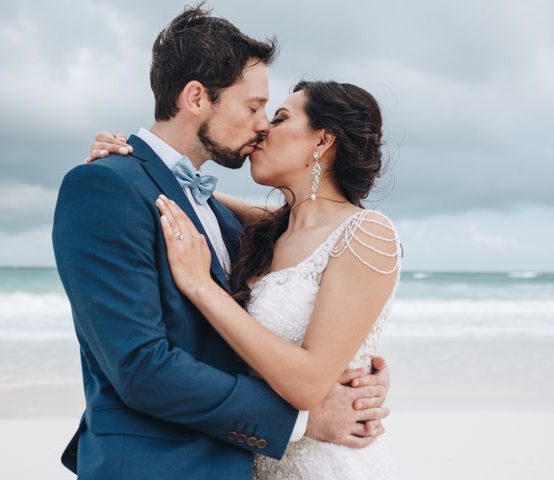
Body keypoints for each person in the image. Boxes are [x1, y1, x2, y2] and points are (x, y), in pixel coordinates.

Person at [53, 5, 389, 480]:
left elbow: (301, 297)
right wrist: (304, 419)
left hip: (241, 463)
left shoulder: (228, 222)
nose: (262, 126)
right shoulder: (104, 187)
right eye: (253, 107)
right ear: (196, 98)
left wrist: (356, 374)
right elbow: (139, 367)